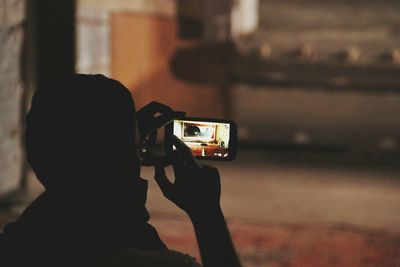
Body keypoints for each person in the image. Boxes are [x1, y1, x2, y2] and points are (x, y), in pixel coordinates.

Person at [0, 74, 241, 267]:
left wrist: (123, 142)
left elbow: (72, 189)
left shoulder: (17, 242)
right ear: (127, 158)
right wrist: (208, 216)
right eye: (135, 149)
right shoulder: (152, 260)